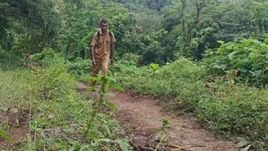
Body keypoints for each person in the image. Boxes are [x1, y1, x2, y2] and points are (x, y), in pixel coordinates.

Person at [90, 19, 116, 87]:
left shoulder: (110, 34)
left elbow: (112, 47)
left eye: (106, 26)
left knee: (105, 70)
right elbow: (92, 46)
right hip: (97, 56)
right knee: (95, 73)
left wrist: (112, 58)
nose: (104, 27)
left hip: (106, 56)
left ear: (108, 26)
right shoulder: (97, 34)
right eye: (103, 26)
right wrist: (93, 58)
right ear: (100, 26)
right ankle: (93, 86)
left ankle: (103, 87)